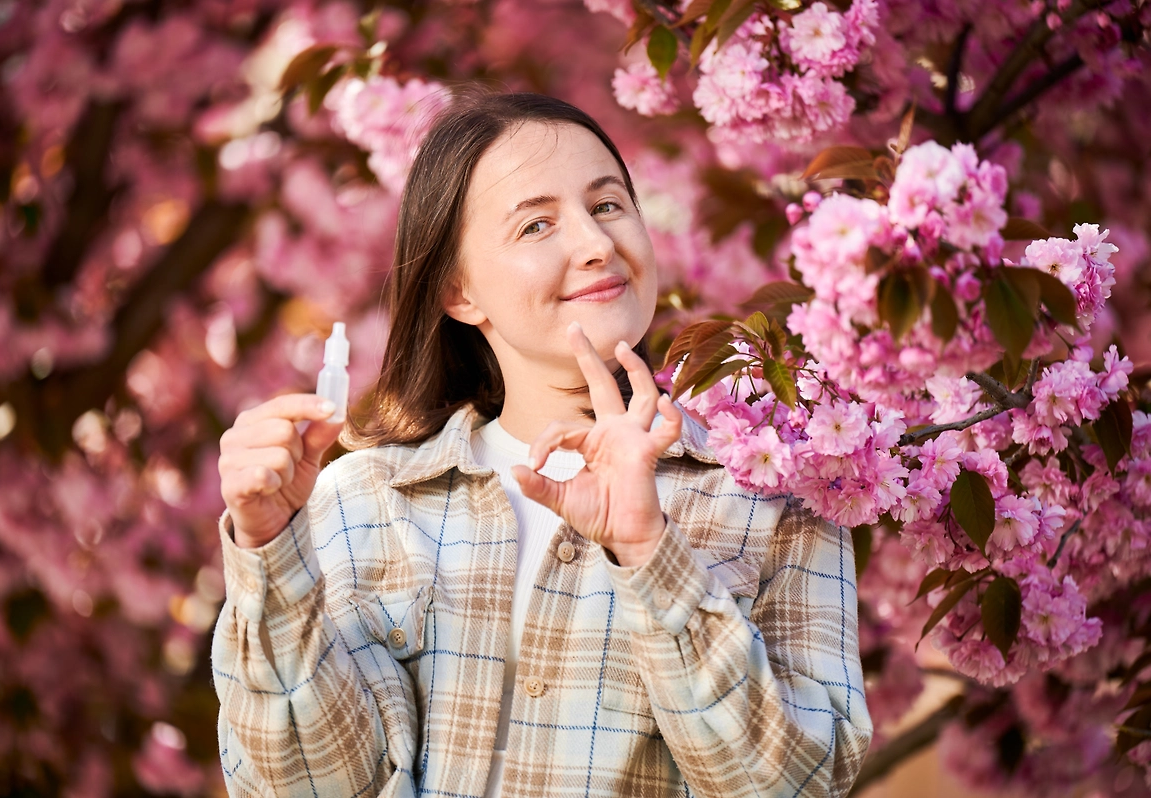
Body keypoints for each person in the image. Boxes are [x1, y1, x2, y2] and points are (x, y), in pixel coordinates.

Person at [212, 92, 872, 798]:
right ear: (460, 291)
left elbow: (798, 785)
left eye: (609, 205)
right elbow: (307, 787)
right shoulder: (359, 505)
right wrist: (269, 549)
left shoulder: (773, 496)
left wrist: (651, 555)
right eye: (536, 225)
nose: (595, 245)